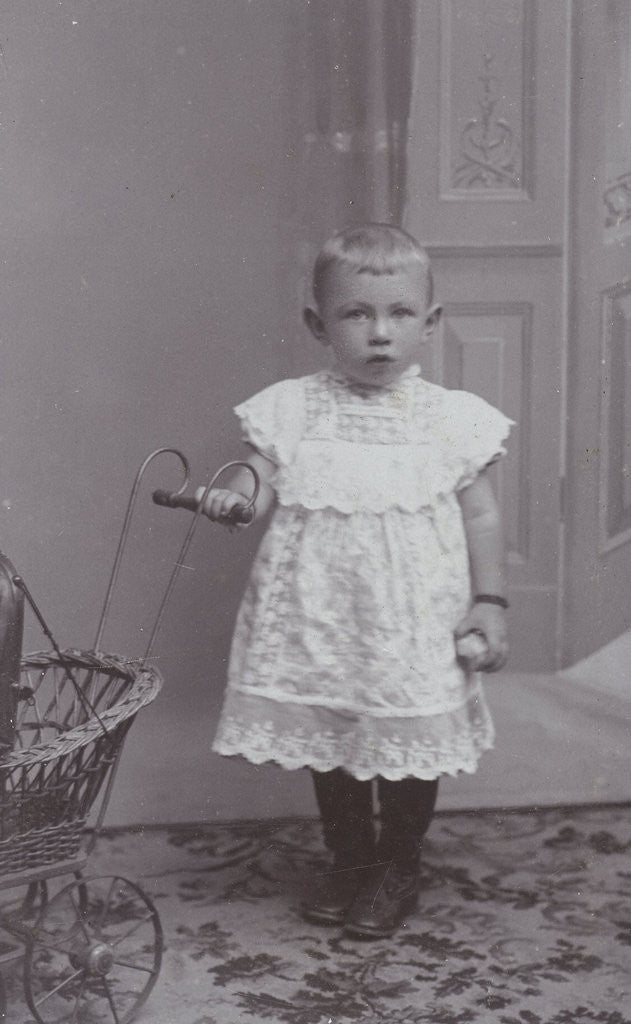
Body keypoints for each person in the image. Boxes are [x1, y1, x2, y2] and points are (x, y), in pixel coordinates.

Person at [196, 223, 513, 939]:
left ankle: (398, 862)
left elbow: (483, 518)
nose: (379, 334)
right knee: (333, 737)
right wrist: (236, 495)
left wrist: (488, 602)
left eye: (399, 314)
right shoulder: (292, 407)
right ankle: (349, 858)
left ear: (429, 324)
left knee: (403, 743)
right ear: (318, 323)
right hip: (321, 618)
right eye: (355, 314)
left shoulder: (452, 420)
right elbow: (260, 473)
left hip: (413, 622)